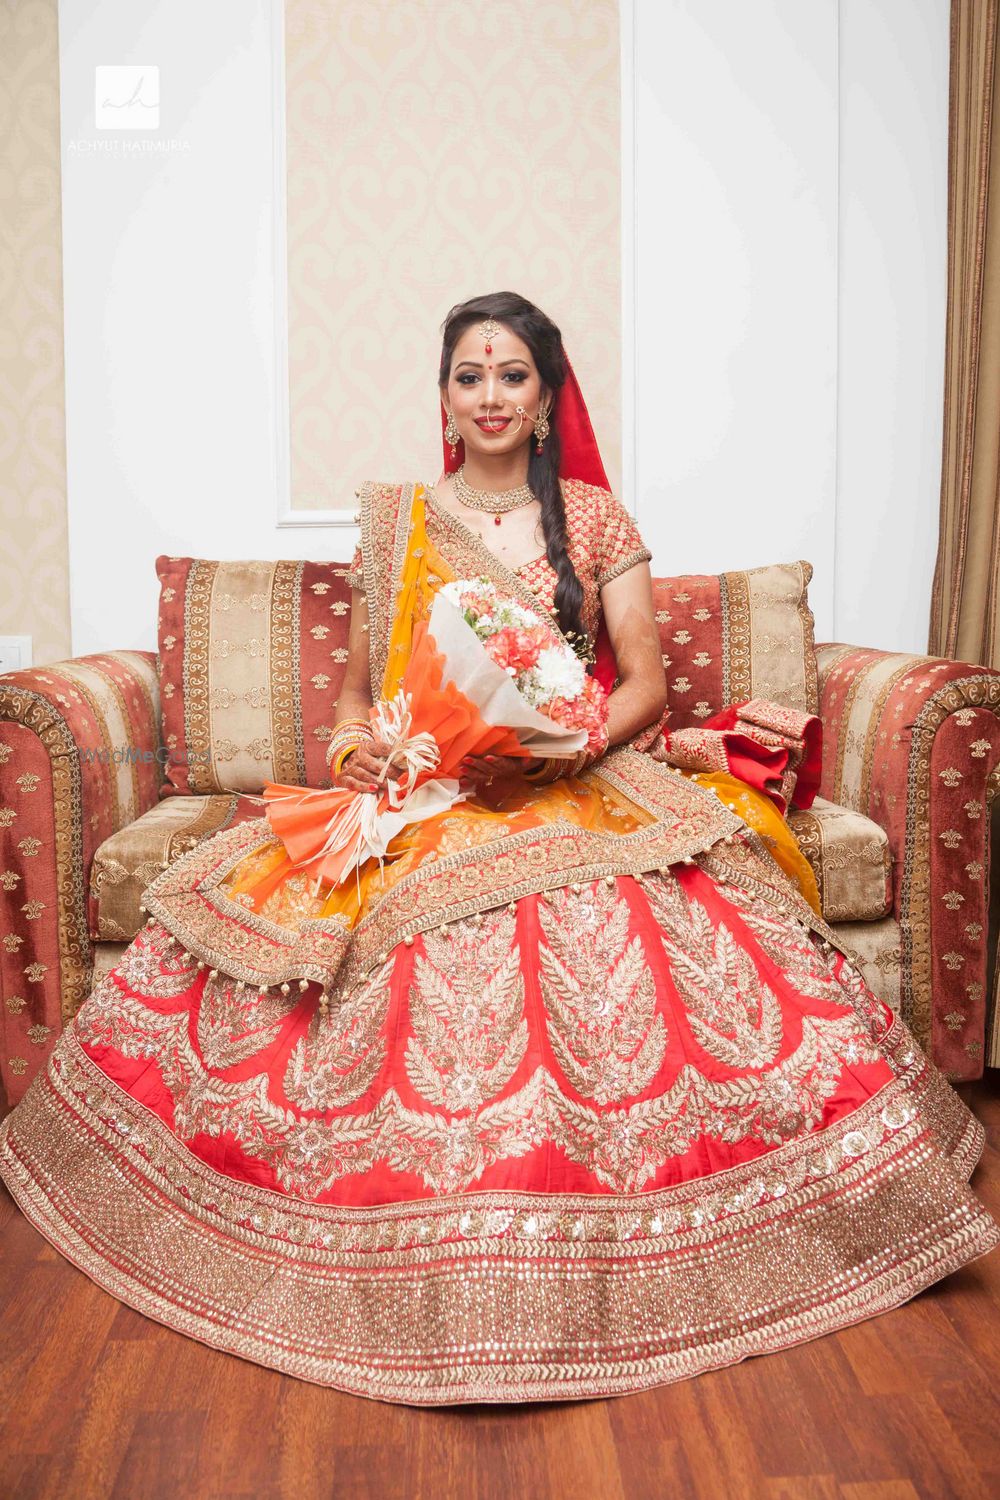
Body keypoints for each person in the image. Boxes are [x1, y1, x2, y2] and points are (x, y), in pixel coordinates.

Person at [1, 291, 996, 1407]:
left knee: (626, 916)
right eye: (468, 375)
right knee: (341, 911)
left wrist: (562, 755)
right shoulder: (399, 523)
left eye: (510, 375)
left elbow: (645, 685)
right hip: (430, 782)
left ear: (544, 399)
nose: (488, 395)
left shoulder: (595, 521)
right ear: (442, 398)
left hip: (570, 776)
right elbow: (353, 698)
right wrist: (356, 754)